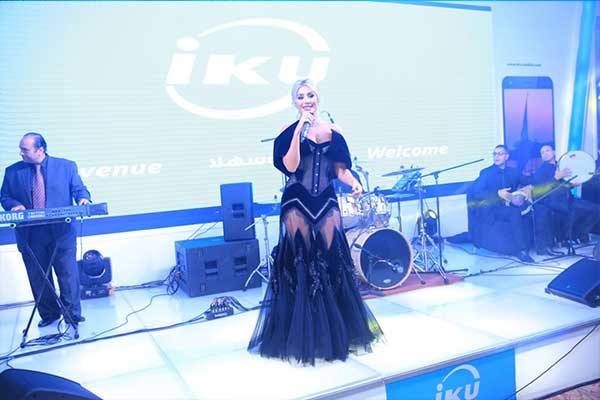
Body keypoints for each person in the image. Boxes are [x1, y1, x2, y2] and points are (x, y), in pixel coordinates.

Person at [248, 79, 383, 365]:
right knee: (302, 262)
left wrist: (354, 183)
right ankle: (303, 337)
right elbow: (291, 166)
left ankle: (335, 334)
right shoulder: (288, 132)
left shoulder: (334, 132)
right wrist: (300, 128)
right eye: (300, 96)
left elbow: (340, 170)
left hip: (326, 201)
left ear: (318, 98)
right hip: (296, 201)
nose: (306, 100)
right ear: (294, 102)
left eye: (310, 95)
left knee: (332, 260)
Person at [0, 133, 91, 327]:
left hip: (61, 231)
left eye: (25, 149)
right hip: (30, 234)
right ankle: (49, 314)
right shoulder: (12, 171)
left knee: (67, 274)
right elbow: (5, 197)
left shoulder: (66, 166)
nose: (20, 153)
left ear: (40, 150)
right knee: (38, 276)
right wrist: (15, 205)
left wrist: (83, 199)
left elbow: (79, 189)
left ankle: (72, 314)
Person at [469, 145, 534, 262]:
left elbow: (529, 181)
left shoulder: (513, 172)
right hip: (492, 208)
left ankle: (533, 245)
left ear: (507, 156)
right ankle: (522, 250)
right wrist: (497, 193)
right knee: (514, 212)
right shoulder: (485, 173)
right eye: (495, 154)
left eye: (500, 154)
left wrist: (530, 187)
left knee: (526, 208)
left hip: (509, 205)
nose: (496, 156)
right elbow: (477, 193)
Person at [532, 143, 600, 253]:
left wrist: (573, 184)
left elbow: (564, 184)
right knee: (569, 210)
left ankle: (579, 234)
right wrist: (556, 177)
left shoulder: (562, 165)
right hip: (552, 201)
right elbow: (542, 189)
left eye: (547, 150)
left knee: (596, 210)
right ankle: (567, 238)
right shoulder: (540, 171)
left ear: (554, 152)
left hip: (567, 198)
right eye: (542, 152)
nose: (545, 153)